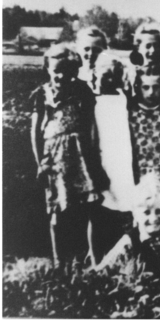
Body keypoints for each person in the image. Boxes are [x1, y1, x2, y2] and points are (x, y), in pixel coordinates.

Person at [30, 43, 103, 268]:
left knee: (89, 206)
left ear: (74, 71)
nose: (60, 76)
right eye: (55, 71)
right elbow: (35, 132)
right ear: (48, 70)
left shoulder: (82, 91)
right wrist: (40, 163)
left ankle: (94, 258)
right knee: (56, 208)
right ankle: (59, 262)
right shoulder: (41, 94)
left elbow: (91, 125)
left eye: (66, 71)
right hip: (54, 158)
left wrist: (93, 157)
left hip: (80, 154)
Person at [95, 173, 160, 279]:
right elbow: (102, 272)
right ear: (135, 214)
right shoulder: (130, 241)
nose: (153, 219)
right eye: (146, 213)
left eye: (159, 211)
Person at [89, 52, 136, 265]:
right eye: (104, 74)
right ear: (94, 74)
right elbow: (91, 140)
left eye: (113, 75)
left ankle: (120, 260)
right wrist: (96, 171)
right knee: (99, 214)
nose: (108, 79)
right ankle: (96, 261)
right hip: (104, 163)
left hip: (123, 164)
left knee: (124, 212)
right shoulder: (92, 101)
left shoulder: (123, 98)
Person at [128, 63, 160, 185]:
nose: (151, 92)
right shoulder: (130, 115)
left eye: (156, 87)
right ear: (138, 88)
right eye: (146, 87)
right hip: (136, 181)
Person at [75, 26, 108, 93]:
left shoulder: (108, 77)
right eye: (86, 49)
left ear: (105, 51)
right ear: (78, 49)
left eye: (96, 50)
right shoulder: (73, 75)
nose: (90, 53)